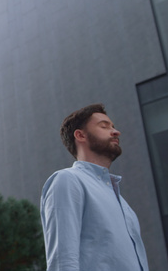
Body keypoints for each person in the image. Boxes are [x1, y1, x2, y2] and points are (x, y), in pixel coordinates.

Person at [40, 104, 149, 271]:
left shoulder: (121, 202)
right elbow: (63, 262)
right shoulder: (68, 180)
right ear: (80, 135)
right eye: (104, 126)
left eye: (113, 127)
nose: (116, 132)